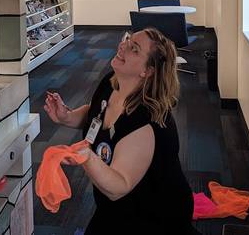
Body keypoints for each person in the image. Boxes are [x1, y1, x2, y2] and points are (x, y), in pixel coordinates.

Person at [44, 28, 198, 234]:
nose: (123, 46)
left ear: (148, 71)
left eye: (134, 49)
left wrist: (87, 157)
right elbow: (96, 111)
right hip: (117, 206)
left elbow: (119, 186)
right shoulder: (112, 83)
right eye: (127, 40)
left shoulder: (145, 121)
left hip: (154, 216)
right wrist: (68, 117)